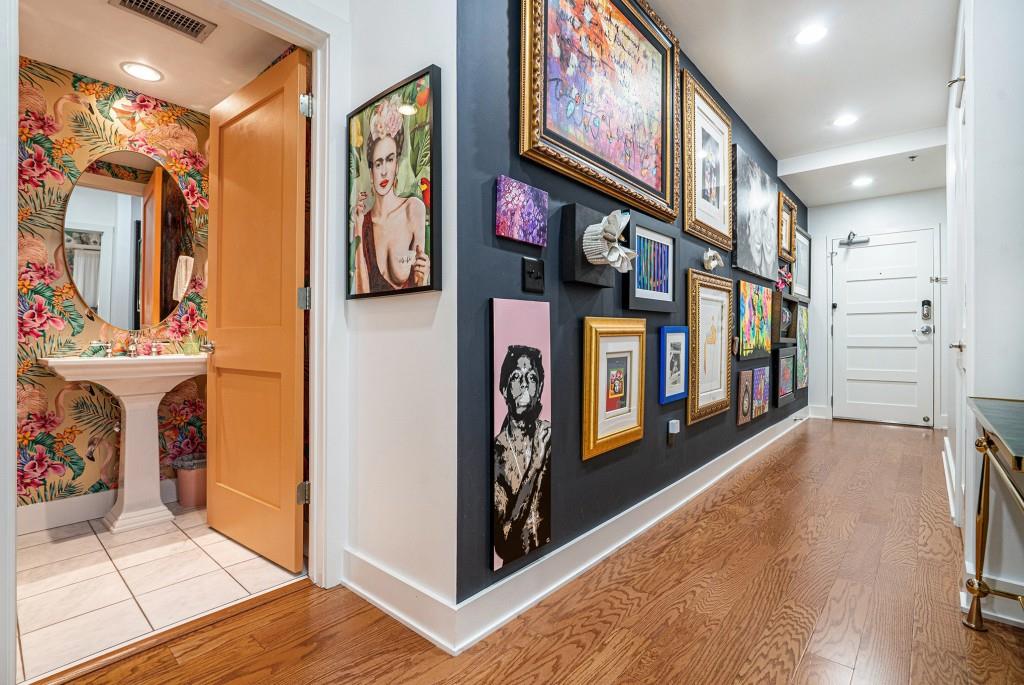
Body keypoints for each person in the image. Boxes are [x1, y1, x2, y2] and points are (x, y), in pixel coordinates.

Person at [352, 96, 429, 293]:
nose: (384, 171)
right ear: (370, 173)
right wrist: (358, 229)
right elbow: (362, 293)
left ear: (396, 164)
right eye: (378, 163)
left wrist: (424, 276)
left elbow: (421, 287)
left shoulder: (413, 209)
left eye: (390, 159)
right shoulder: (366, 223)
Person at [493, 345, 551, 568]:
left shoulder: (549, 436)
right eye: (516, 377)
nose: (525, 384)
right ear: (505, 389)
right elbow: (504, 542)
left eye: (532, 377)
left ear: (540, 387)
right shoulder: (498, 453)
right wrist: (536, 464)